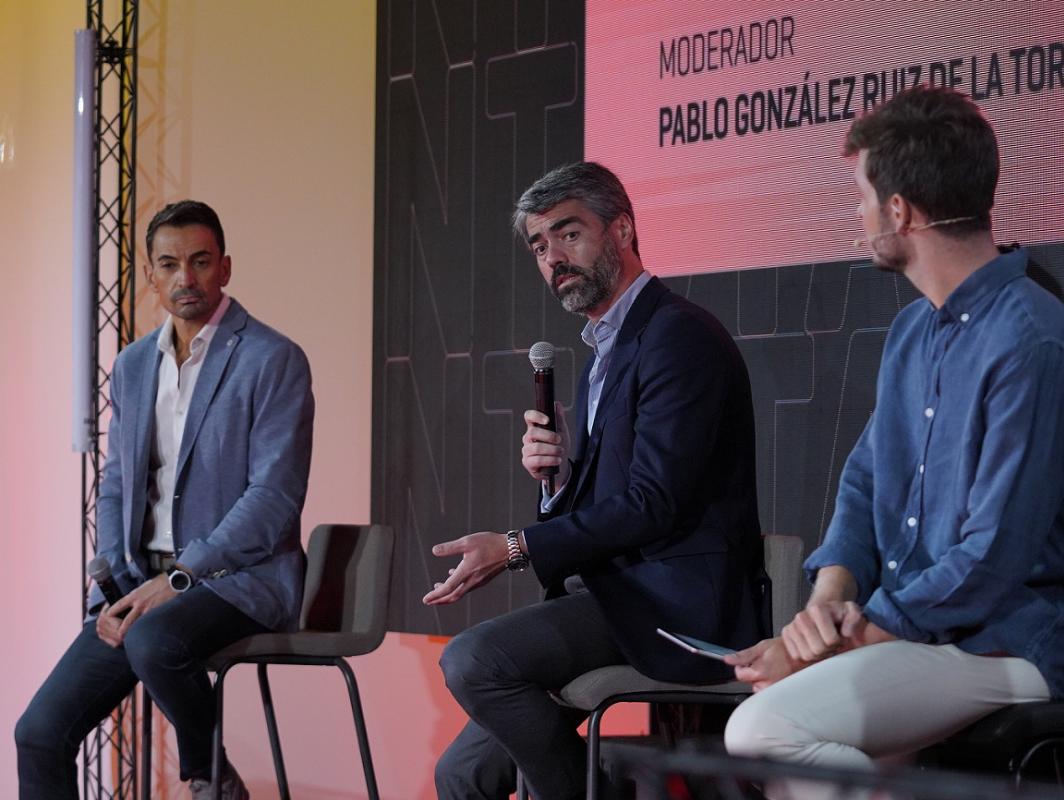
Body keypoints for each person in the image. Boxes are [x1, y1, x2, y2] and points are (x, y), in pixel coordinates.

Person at [723, 85, 1064, 793]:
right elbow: (865, 482)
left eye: (861, 197)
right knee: (784, 728)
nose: (859, 214)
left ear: (900, 212)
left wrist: (843, 637)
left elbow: (991, 559)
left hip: (1008, 639)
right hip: (919, 632)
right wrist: (825, 604)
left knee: (765, 729)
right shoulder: (912, 332)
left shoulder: (1030, 338)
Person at [426, 161, 766, 800]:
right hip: (617, 594)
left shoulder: (677, 338)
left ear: (623, 230)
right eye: (538, 245)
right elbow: (614, 500)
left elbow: (654, 503)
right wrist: (556, 480)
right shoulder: (603, 354)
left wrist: (517, 546)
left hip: (674, 604)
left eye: (568, 233)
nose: (553, 256)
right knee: (462, 774)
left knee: (474, 659)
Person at [15, 200, 315, 800]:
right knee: (39, 733)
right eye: (170, 264)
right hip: (142, 588)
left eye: (201, 262)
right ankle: (214, 774)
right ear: (151, 276)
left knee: (155, 640)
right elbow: (118, 483)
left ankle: (211, 777)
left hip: (237, 580)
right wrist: (113, 577)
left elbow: (273, 497)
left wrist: (181, 577)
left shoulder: (272, 359)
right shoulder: (130, 367)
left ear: (225, 268)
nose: (187, 278)